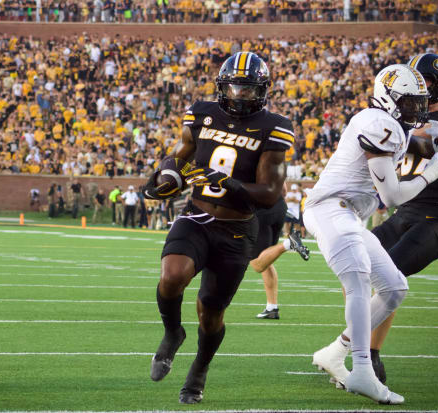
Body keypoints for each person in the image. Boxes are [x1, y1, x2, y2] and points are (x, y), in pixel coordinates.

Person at [144, 52, 292, 404]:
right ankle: (171, 333)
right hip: (196, 216)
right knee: (171, 276)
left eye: (248, 89)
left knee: (211, 313)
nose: (240, 95)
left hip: (236, 230)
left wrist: (230, 184)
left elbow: (270, 194)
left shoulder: (274, 126)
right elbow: (181, 154)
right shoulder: (201, 113)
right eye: (234, 88)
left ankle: (199, 370)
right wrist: (165, 174)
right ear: (222, 86)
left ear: (262, 90)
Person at [303, 63, 438, 404]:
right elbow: (392, 197)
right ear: (388, 98)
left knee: (394, 287)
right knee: (358, 280)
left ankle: (334, 353)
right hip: (328, 207)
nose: (417, 109)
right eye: (410, 102)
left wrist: (431, 142)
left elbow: (403, 148)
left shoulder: (388, 125)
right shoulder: (378, 123)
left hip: (348, 214)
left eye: (421, 102)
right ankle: (361, 370)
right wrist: (431, 173)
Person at [367, 53, 438, 384]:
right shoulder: (403, 119)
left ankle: (367, 355)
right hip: (403, 211)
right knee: (353, 261)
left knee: (388, 276)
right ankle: (356, 346)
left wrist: (435, 146)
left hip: (436, 212)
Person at [250, 183, 310, 320]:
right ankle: (272, 308)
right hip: (279, 205)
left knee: (257, 264)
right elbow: (283, 188)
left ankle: (288, 244)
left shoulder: (247, 162)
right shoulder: (270, 162)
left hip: (259, 209)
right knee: (266, 259)